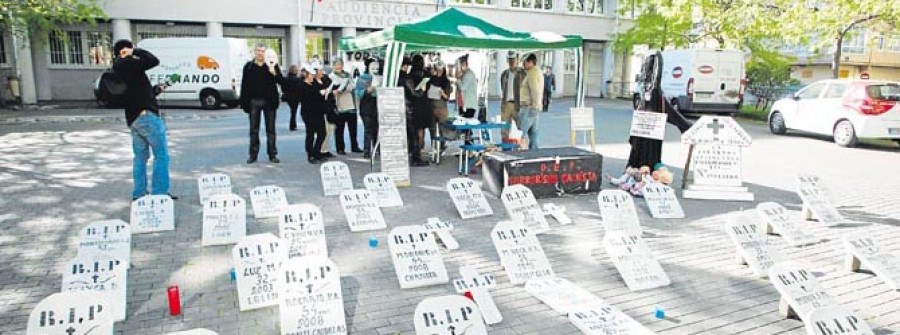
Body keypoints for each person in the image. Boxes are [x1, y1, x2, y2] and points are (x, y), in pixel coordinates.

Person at [112, 39, 177, 201]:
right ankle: (160, 193)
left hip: (133, 118)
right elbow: (153, 60)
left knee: (140, 157)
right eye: (131, 48)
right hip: (147, 116)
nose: (134, 51)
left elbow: (138, 92)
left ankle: (139, 193)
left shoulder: (119, 68)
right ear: (125, 50)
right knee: (161, 155)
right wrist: (135, 52)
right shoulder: (128, 63)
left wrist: (157, 89)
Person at [626, 51, 692, 169]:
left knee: (647, 152)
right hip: (644, 130)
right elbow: (672, 114)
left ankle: (642, 169)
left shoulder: (656, 95)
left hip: (650, 131)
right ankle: (637, 169)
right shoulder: (648, 93)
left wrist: (687, 126)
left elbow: (671, 113)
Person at [240, 43, 284, 164]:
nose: (260, 53)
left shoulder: (272, 65)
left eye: (263, 51)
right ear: (254, 52)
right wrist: (244, 103)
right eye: (258, 50)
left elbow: (282, 81)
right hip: (254, 101)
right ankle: (253, 155)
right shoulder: (249, 67)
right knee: (254, 130)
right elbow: (244, 86)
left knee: (271, 130)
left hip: (269, 101)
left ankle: (272, 154)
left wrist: (273, 72)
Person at [399, 56, 430, 166]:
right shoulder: (406, 78)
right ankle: (416, 159)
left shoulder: (396, 76)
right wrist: (422, 90)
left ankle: (407, 155)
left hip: (399, 107)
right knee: (414, 135)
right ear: (405, 65)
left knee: (405, 134)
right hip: (409, 108)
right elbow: (414, 93)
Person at [329, 59, 362, 155]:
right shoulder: (331, 76)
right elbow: (333, 88)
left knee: (353, 128)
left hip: (351, 104)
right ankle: (340, 148)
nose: (338, 66)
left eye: (339, 64)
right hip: (340, 105)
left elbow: (352, 85)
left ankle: (354, 146)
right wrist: (342, 87)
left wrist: (347, 87)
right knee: (339, 129)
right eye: (335, 65)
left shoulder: (348, 74)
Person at [298, 63, 329, 164]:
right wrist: (319, 93)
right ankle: (310, 154)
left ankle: (317, 152)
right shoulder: (302, 85)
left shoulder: (313, 83)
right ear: (306, 75)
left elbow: (320, 88)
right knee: (310, 134)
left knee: (322, 133)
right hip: (308, 113)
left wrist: (323, 92)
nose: (312, 76)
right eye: (311, 74)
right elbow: (307, 98)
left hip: (318, 112)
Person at [356, 59, 381, 159]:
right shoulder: (362, 79)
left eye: (377, 68)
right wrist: (367, 90)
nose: (375, 70)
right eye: (373, 68)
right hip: (366, 106)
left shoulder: (381, 77)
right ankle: (367, 150)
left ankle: (376, 149)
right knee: (368, 129)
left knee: (376, 129)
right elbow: (358, 92)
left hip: (377, 105)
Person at [518, 53, 544, 149]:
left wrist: (535, 106)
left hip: (528, 107)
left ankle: (520, 155)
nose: (523, 65)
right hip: (533, 107)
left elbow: (535, 90)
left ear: (529, 62)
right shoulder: (537, 71)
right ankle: (534, 154)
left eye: (524, 62)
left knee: (521, 133)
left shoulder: (532, 73)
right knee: (533, 134)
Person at [426, 61, 452, 153]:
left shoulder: (446, 82)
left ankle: (441, 146)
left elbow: (447, 97)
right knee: (432, 129)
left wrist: (443, 93)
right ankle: (434, 147)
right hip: (431, 107)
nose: (439, 72)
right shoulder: (430, 80)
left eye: (441, 70)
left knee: (442, 129)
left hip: (442, 108)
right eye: (438, 70)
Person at [500, 51, 526, 139]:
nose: (511, 62)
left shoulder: (522, 73)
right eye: (509, 59)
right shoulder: (504, 74)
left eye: (513, 59)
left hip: (518, 104)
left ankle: (521, 148)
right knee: (504, 128)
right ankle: (505, 148)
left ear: (517, 60)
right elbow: (502, 88)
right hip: (506, 103)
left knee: (521, 128)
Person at [316, 65, 336, 159]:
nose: (322, 72)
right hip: (319, 109)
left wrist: (331, 92)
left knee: (329, 129)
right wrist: (320, 93)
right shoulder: (313, 81)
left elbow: (332, 86)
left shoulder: (326, 79)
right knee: (322, 131)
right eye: (320, 71)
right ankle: (319, 150)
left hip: (329, 107)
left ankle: (326, 149)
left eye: (322, 70)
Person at [455, 54, 478, 118]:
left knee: (466, 125)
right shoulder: (464, 74)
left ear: (466, 65)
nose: (460, 67)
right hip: (463, 104)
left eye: (462, 65)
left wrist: (458, 79)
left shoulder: (469, 74)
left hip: (469, 105)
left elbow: (462, 87)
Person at [280, 65, 302, 131]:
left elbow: (283, 88)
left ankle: (293, 125)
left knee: (293, 111)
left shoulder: (286, 78)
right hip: (295, 97)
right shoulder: (297, 79)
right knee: (294, 111)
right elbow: (299, 88)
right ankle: (292, 125)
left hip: (288, 97)